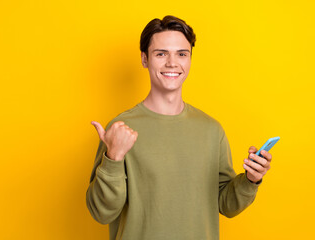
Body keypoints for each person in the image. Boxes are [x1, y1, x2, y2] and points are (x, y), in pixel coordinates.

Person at [86, 15, 273, 240]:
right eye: (161, 53)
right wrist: (113, 158)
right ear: (144, 59)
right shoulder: (120, 130)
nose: (172, 63)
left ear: (190, 60)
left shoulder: (211, 130)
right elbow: (101, 212)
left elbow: (226, 204)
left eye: (182, 54)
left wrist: (251, 180)